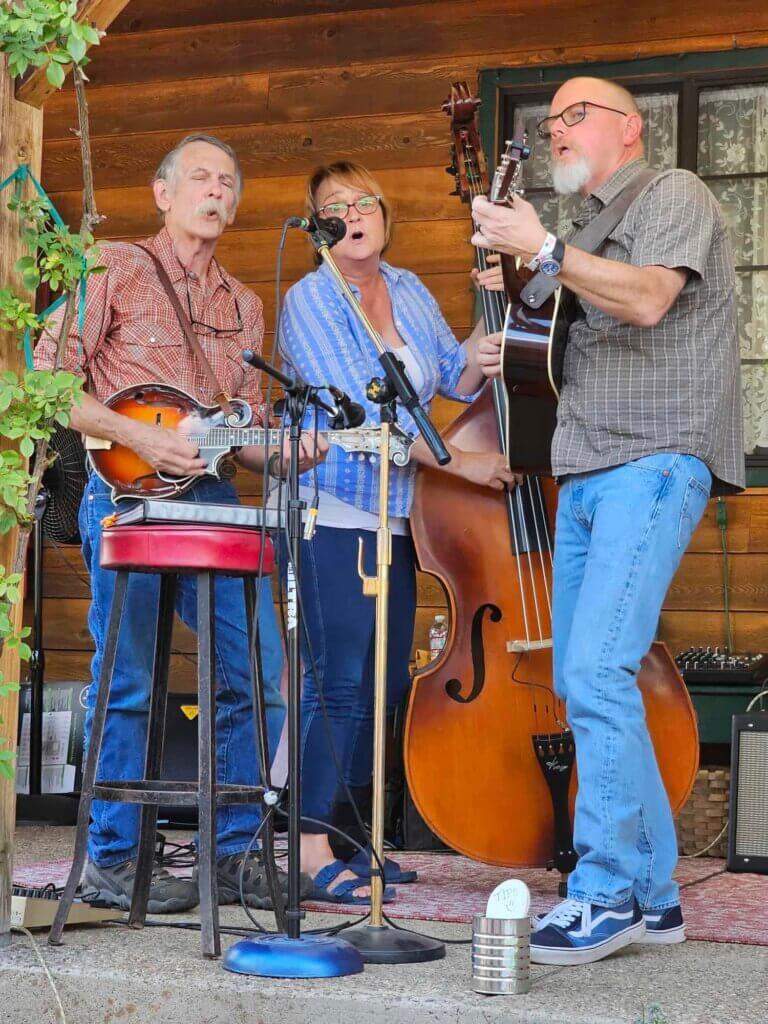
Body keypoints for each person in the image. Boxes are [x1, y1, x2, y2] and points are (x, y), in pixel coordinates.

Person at [471, 77, 744, 965]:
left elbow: (651, 298)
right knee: (586, 677)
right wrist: (515, 292)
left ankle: (603, 891)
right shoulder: (581, 229)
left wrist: (543, 245)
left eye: (572, 115)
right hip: (584, 465)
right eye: (547, 121)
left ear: (628, 127)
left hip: (654, 456)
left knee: (594, 671)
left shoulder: (673, 193)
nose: (554, 130)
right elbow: (549, 345)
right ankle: (657, 893)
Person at [35, 133, 324, 913]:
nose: (217, 190)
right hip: (123, 496)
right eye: (200, 177)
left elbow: (245, 431)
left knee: (253, 676)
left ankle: (230, 854)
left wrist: (291, 449)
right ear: (163, 193)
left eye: (229, 180)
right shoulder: (114, 266)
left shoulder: (246, 305)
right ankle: (112, 861)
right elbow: (43, 379)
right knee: (127, 680)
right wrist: (139, 436)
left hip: (212, 501)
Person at [276, 160, 517, 903]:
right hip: (335, 511)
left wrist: (488, 317)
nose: (354, 214)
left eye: (365, 202)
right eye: (335, 206)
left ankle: (355, 836)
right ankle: (310, 849)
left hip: (398, 514)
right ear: (317, 225)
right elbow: (360, 414)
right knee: (336, 682)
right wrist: (460, 470)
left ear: (385, 214)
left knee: (381, 685)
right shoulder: (308, 300)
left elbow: (454, 377)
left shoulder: (407, 288)